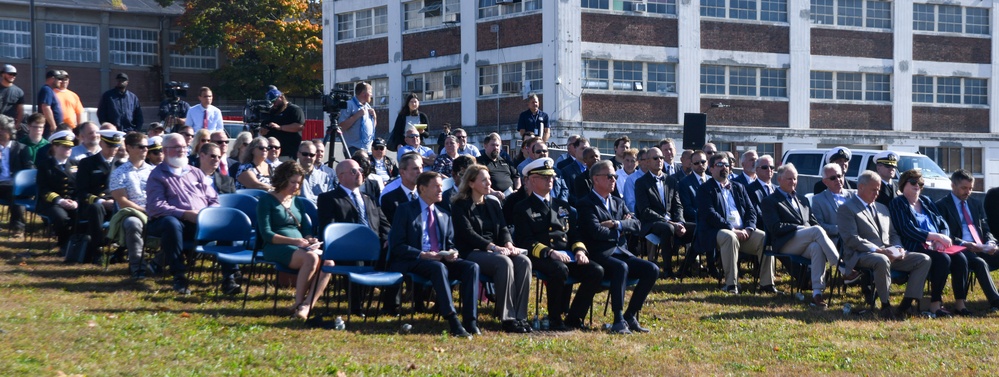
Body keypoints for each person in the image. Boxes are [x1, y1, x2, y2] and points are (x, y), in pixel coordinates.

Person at [388, 171, 481, 337]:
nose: (441, 190)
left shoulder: (444, 214)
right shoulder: (405, 210)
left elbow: (450, 243)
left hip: (439, 259)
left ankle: (470, 320)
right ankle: (453, 320)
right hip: (413, 260)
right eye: (436, 186)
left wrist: (453, 252)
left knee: (472, 267)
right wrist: (423, 255)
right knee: (437, 267)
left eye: (441, 186)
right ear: (422, 189)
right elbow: (397, 246)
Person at [512, 158, 601, 331]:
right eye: (545, 177)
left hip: (566, 254)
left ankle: (574, 317)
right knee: (559, 269)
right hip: (540, 255)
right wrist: (550, 252)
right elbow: (524, 240)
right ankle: (555, 317)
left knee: (595, 271)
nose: (550, 180)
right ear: (532, 180)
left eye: (552, 177)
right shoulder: (523, 208)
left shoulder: (562, 206)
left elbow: (574, 234)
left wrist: (580, 251)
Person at [577, 160, 659, 334]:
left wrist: (617, 224)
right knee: (621, 267)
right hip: (599, 254)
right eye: (609, 176)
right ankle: (618, 319)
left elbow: (637, 225)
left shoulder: (617, 202)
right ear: (596, 179)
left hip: (621, 252)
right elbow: (595, 232)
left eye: (614, 176)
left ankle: (630, 315)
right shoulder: (586, 203)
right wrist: (621, 229)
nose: (613, 179)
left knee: (651, 269)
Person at [837, 170, 931, 320]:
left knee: (923, 259)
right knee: (882, 260)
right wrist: (879, 250)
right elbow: (851, 239)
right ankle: (885, 305)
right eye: (873, 189)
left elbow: (893, 234)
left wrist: (898, 248)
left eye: (879, 189)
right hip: (862, 254)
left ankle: (905, 304)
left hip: (888, 252)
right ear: (861, 187)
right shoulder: (847, 208)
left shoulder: (882, 208)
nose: (877, 193)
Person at [452, 165, 533, 333]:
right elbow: (467, 234)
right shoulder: (460, 205)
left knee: (524, 262)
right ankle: (507, 318)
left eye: (489, 179)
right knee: (503, 262)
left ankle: (520, 316)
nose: (489, 182)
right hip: (473, 251)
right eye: (484, 180)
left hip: (496, 249)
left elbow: (503, 228)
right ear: (472, 183)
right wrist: (493, 247)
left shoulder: (492, 203)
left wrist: (509, 244)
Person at [146, 133, 228, 295]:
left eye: (184, 147)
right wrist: (184, 214)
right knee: (171, 223)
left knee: (225, 223)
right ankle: (179, 277)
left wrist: (209, 214)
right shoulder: (157, 175)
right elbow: (156, 206)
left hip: (201, 221)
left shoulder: (196, 172)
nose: (182, 151)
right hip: (169, 222)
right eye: (176, 148)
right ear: (165, 150)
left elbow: (213, 199)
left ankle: (230, 278)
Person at [316, 159, 392, 315]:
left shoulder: (369, 199)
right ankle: (356, 307)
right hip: (346, 247)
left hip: (374, 246)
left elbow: (384, 224)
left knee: (396, 253)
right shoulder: (329, 198)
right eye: (353, 171)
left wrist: (387, 240)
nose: (359, 173)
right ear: (341, 176)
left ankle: (391, 306)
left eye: (360, 170)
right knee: (357, 257)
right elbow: (328, 228)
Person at [259, 161, 332, 319]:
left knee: (329, 263)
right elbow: (267, 234)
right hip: (276, 246)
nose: (296, 186)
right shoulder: (267, 200)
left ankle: (307, 305)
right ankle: (299, 303)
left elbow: (305, 229)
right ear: (282, 179)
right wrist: (295, 242)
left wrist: (309, 239)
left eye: (299, 182)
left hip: (300, 246)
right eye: (292, 182)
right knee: (311, 258)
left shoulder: (297, 201)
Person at [889, 169, 967, 317]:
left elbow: (943, 223)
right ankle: (935, 304)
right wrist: (934, 237)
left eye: (920, 183)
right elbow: (906, 229)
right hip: (915, 246)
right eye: (913, 182)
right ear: (903, 184)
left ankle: (960, 303)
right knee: (942, 260)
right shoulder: (898, 203)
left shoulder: (927, 201)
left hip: (937, 246)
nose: (917, 185)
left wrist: (941, 239)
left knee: (961, 259)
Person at [760, 163, 839, 307]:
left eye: (795, 179)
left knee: (816, 247)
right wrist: (800, 228)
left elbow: (814, 222)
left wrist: (808, 230)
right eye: (789, 179)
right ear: (779, 179)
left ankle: (817, 293)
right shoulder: (770, 201)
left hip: (805, 243)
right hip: (784, 243)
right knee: (816, 231)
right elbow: (775, 228)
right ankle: (841, 267)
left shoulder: (803, 199)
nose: (793, 182)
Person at [696, 153, 775, 294]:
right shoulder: (705, 189)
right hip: (717, 231)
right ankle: (731, 284)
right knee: (730, 237)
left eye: (726, 165)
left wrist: (750, 228)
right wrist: (731, 228)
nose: (724, 167)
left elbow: (751, 211)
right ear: (711, 168)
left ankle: (767, 284)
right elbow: (710, 214)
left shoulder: (739, 187)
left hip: (744, 231)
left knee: (764, 238)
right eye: (720, 165)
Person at [935, 169, 999, 312]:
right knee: (980, 263)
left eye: (970, 188)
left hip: (981, 245)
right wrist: (965, 243)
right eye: (964, 188)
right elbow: (944, 234)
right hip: (961, 247)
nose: (968, 192)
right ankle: (995, 301)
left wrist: (991, 242)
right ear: (953, 186)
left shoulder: (975, 204)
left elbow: (985, 227)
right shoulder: (942, 205)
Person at [634, 147, 687, 277]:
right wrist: (670, 222)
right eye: (655, 158)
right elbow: (645, 211)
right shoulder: (641, 182)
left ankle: (687, 268)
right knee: (667, 228)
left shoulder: (671, 180)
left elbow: (678, 205)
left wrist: (680, 222)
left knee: (695, 228)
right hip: (651, 223)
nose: (660, 160)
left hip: (672, 221)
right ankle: (668, 270)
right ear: (646, 162)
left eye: (661, 158)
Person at [109, 132, 155, 279]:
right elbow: (122, 201)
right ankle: (138, 268)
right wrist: (143, 210)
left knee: (174, 225)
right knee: (132, 224)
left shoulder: (153, 171)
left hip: (155, 211)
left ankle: (156, 264)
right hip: (132, 212)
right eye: (141, 146)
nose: (145, 150)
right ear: (129, 147)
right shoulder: (119, 173)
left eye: (147, 147)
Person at [76, 130, 126, 262]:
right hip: (93, 206)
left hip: (115, 204)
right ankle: (97, 249)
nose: (113, 150)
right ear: (102, 143)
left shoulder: (122, 165)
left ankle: (121, 250)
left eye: (116, 146)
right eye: (110, 146)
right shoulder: (87, 163)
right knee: (96, 209)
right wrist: (101, 202)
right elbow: (81, 191)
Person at [37, 130, 78, 253]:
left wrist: (76, 201)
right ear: (54, 147)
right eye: (64, 146)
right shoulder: (45, 166)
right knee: (61, 217)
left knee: (82, 214)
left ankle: (77, 244)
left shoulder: (76, 164)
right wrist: (59, 201)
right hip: (51, 203)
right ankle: (64, 243)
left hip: (73, 201)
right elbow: (43, 189)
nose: (68, 149)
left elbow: (80, 187)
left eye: (70, 146)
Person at [0, 114, 32, 237]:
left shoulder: (21, 148)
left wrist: (20, 180)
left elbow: (29, 169)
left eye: (3, 129)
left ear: (10, 131)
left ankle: (17, 229)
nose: (0, 132)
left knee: (16, 195)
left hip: (12, 185)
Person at [811, 163, 855, 248]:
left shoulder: (854, 195)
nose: (838, 179)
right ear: (825, 182)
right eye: (833, 178)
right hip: (837, 240)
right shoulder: (818, 200)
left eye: (839, 176)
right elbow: (819, 225)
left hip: (858, 236)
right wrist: (840, 229)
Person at [259, 86, 305, 160]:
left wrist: (280, 127)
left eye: (274, 101)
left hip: (287, 153)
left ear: (281, 97)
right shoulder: (271, 111)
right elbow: (262, 127)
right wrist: (263, 131)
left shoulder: (294, 109)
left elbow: (299, 126)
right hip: (269, 153)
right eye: (271, 102)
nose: (274, 104)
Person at [380, 152, 423, 221]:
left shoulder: (427, 195)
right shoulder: (389, 199)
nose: (420, 172)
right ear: (402, 172)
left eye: (421, 168)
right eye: (415, 169)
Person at [337, 82, 376, 154]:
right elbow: (341, 127)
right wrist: (356, 116)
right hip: (353, 148)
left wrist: (374, 118)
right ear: (363, 93)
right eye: (370, 92)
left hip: (368, 149)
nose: (371, 95)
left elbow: (372, 128)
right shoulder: (349, 105)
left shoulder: (367, 106)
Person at [677, 150, 709, 223]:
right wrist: (705, 217)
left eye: (703, 162)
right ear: (691, 165)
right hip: (696, 222)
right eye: (696, 163)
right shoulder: (684, 183)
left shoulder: (712, 180)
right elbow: (687, 208)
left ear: (707, 162)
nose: (700, 164)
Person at [558, 137, 588, 203]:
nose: (585, 151)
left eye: (587, 149)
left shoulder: (594, 169)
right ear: (575, 149)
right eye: (582, 148)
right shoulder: (566, 171)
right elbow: (567, 193)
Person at [36, 70, 64, 136]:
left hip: (52, 128)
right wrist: (53, 125)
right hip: (49, 128)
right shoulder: (46, 89)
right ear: (52, 79)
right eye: (59, 79)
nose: (61, 81)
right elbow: (45, 107)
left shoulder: (50, 90)